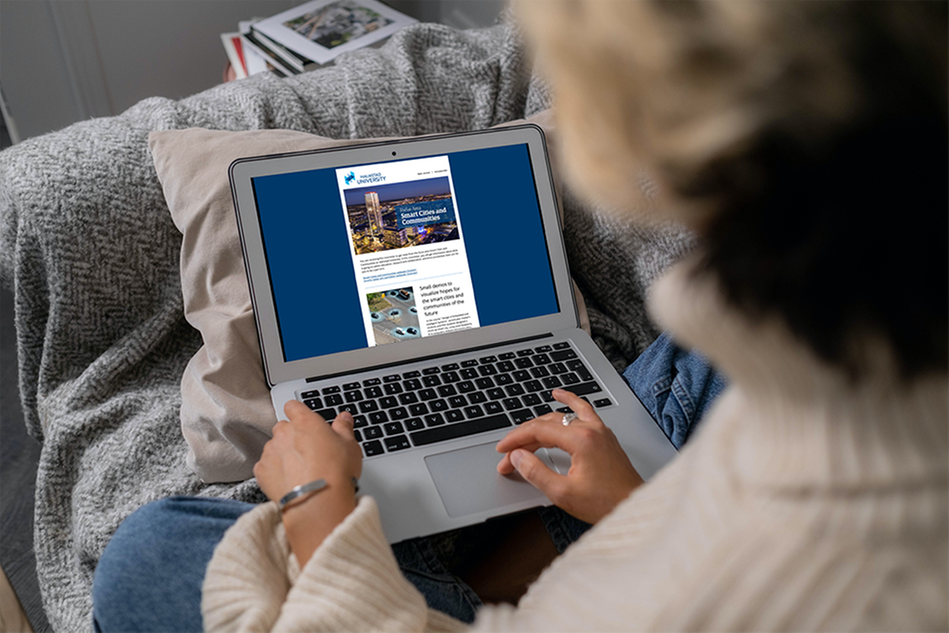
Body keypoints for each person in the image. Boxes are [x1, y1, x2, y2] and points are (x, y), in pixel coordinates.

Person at [94, 0, 949, 630]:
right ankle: (512, 541)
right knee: (672, 377)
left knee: (149, 554)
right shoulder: (838, 337)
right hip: (651, 509)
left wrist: (318, 500)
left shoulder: (782, 585)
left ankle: (463, 579)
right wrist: (632, 505)